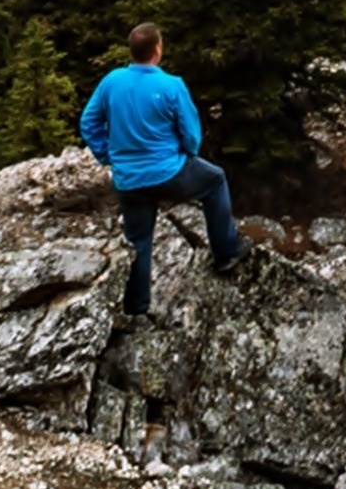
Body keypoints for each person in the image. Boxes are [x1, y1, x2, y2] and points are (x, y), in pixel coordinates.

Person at [78, 23, 247, 315]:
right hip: (170, 174)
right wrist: (188, 154)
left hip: (129, 180)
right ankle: (226, 253)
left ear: (132, 50)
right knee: (215, 180)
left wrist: (107, 155)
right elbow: (191, 136)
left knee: (139, 240)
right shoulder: (172, 85)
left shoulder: (112, 81)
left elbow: (88, 123)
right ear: (157, 49)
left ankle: (136, 309)